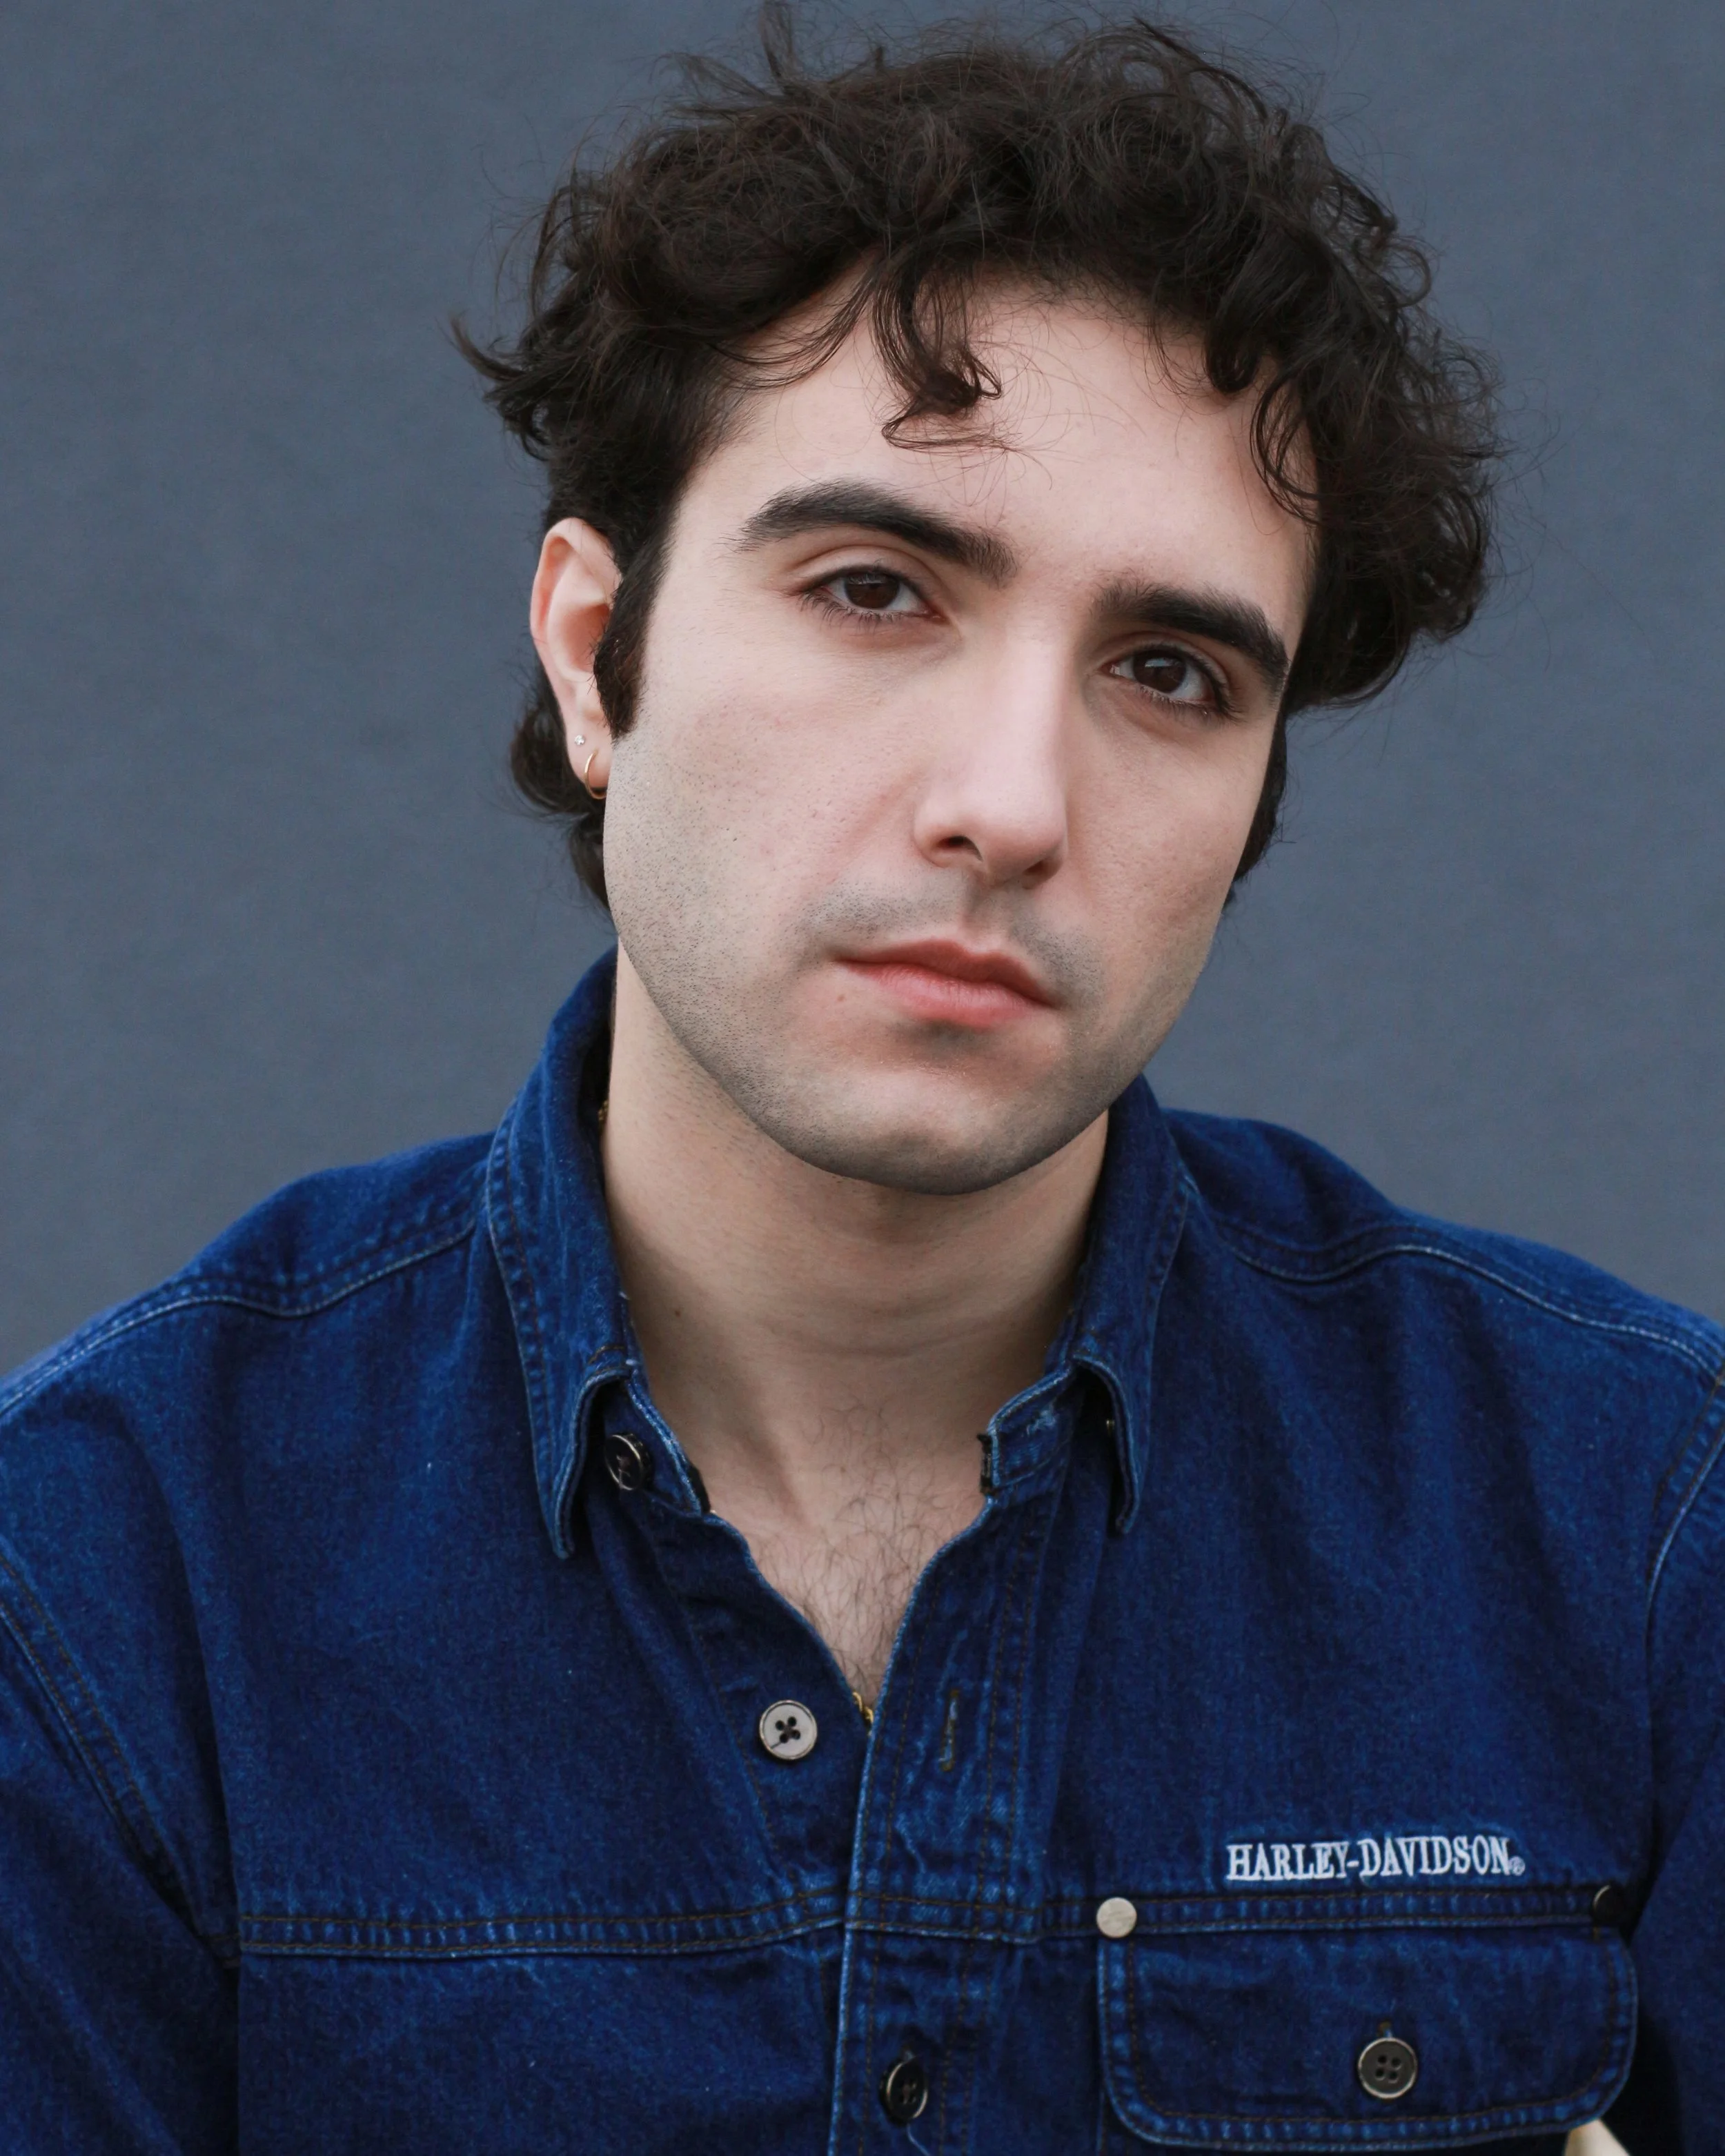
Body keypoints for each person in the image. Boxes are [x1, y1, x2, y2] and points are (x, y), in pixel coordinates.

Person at [0, 15, 1717, 2151]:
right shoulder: (103, 1574)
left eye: (1168, 671)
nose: (1010, 801)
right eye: (874, 588)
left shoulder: (1642, 1525)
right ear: (592, 650)